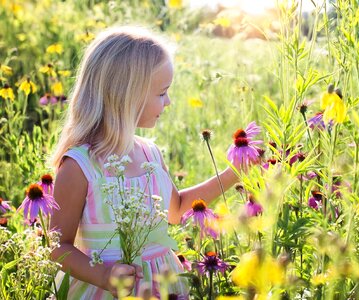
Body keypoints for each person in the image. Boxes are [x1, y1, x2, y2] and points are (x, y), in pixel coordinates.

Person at [49, 25, 240, 299]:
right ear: (127, 96)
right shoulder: (80, 166)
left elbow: (176, 210)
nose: (169, 101)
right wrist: (103, 275)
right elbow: (58, 247)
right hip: (104, 290)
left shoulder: (150, 153)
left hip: (164, 285)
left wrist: (234, 172)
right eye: (162, 93)